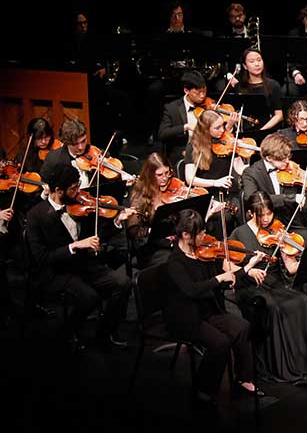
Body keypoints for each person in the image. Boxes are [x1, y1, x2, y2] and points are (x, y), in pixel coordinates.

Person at [26, 164, 134, 350]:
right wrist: (73, 246)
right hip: (57, 272)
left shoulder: (81, 204)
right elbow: (41, 258)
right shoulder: (36, 216)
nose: (79, 192)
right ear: (58, 190)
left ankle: (104, 334)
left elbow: (98, 233)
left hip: (84, 265)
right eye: (74, 188)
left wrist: (116, 221)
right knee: (89, 297)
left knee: (123, 283)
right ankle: (65, 334)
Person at [164, 209, 261, 403]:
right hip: (187, 317)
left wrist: (246, 269)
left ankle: (243, 378)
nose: (204, 236)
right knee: (221, 343)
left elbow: (224, 279)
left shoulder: (203, 254)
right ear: (185, 235)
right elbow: (192, 290)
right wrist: (218, 279)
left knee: (242, 328)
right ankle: (203, 388)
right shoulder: (175, 263)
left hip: (208, 310)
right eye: (199, 233)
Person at [230, 191, 307, 383]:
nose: (266, 219)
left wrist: (306, 260)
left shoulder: (276, 231)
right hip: (249, 286)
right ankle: (280, 365)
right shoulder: (239, 233)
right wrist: (248, 270)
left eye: (269, 214)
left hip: (274, 282)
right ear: (250, 214)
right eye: (261, 215)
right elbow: (227, 266)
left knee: (304, 302)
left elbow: (291, 267)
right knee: (274, 308)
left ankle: (304, 362)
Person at [240, 133, 307, 228]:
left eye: (288, 157)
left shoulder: (290, 170)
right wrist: (289, 198)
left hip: (292, 223)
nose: (287, 161)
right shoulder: (251, 173)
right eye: (282, 159)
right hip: (266, 225)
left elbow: (305, 201)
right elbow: (253, 199)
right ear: (269, 158)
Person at [183, 110, 247, 194]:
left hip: (228, 189)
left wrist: (251, 170)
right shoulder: (194, 146)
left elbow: (239, 167)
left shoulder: (226, 142)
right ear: (205, 129)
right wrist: (215, 182)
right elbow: (190, 178)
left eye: (223, 125)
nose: (222, 130)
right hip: (207, 192)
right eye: (217, 128)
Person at [158, 69, 210, 166]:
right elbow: (162, 133)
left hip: (207, 152)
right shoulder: (171, 108)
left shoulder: (209, 105)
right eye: (198, 92)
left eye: (204, 91)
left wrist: (230, 124)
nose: (202, 96)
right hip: (183, 153)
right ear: (186, 90)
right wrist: (185, 127)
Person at [224, 47, 285, 130]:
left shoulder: (273, 85)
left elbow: (279, 115)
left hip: (267, 130)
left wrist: (262, 130)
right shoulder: (239, 86)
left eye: (259, 60)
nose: (257, 64)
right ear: (245, 66)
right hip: (244, 131)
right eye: (252, 61)